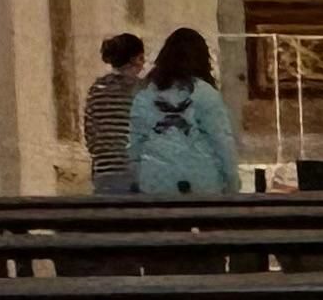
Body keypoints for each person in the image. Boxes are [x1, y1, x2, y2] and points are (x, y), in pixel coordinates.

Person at [126, 27, 242, 197]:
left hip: (156, 181)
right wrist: (232, 181)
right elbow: (221, 141)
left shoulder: (145, 95)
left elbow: (135, 144)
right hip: (202, 180)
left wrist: (137, 177)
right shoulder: (205, 93)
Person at [81, 30, 146, 195]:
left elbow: (91, 133)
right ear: (134, 60)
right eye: (141, 58)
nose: (143, 63)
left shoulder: (97, 89)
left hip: (104, 172)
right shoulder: (142, 90)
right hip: (136, 172)